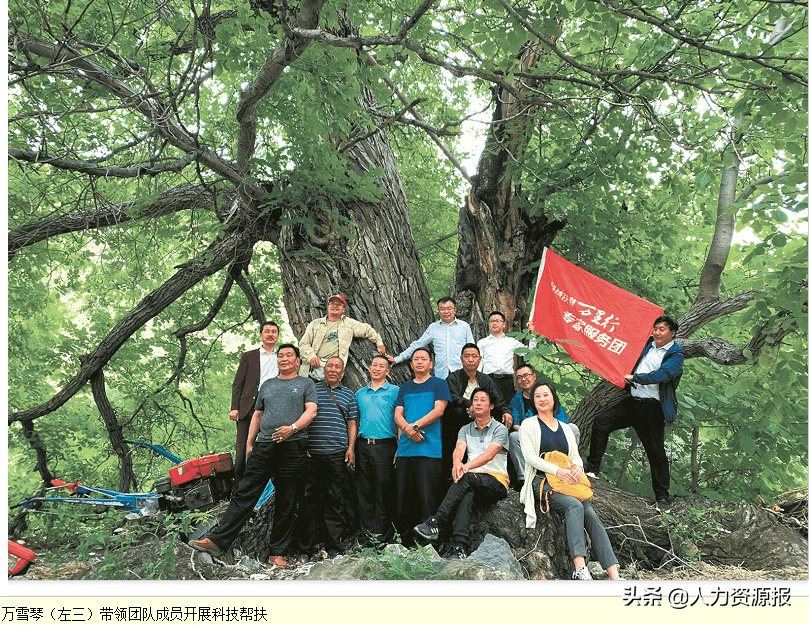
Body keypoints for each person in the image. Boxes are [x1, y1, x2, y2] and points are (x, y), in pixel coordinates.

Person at [190, 344, 317, 569]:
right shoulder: (268, 385)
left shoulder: (305, 384)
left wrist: (293, 428)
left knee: (287, 500)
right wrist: (249, 444)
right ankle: (217, 541)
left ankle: (276, 552)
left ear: (298, 361)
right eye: (281, 356)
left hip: (293, 446)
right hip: (264, 446)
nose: (284, 359)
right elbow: (257, 415)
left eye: (289, 355)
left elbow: (311, 411)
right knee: (244, 492)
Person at [519, 381, 625, 581]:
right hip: (542, 481)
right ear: (533, 401)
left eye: (546, 395)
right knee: (574, 506)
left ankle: (614, 574)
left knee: (591, 514)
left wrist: (577, 468)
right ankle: (580, 569)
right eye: (537, 396)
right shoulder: (528, 424)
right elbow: (529, 457)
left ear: (553, 398)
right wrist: (557, 471)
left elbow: (575, 456)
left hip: (566, 482)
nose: (542, 399)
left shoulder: (566, 428)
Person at [584, 315, 683, 510]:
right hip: (632, 403)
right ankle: (592, 468)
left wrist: (636, 377)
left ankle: (662, 497)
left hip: (652, 409)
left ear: (672, 333)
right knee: (601, 422)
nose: (656, 332)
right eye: (655, 328)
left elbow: (664, 374)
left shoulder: (676, 354)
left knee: (656, 453)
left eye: (662, 329)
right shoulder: (648, 346)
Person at [414, 388, 509, 560]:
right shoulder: (465, 429)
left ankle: (436, 521)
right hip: (472, 481)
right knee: (467, 496)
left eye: (482, 400)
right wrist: (457, 463)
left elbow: (489, 454)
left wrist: (465, 467)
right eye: (475, 400)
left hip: (496, 481)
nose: (478, 403)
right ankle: (459, 547)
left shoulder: (500, 429)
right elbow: (459, 449)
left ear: (492, 406)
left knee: (465, 479)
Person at [297, 357, 358, 559]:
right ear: (324, 370)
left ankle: (334, 548)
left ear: (342, 373)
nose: (332, 369)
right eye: (329, 366)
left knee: (335, 501)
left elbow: (352, 423)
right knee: (308, 502)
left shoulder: (349, 395)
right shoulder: (311, 390)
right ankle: (305, 549)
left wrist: (351, 448)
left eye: (337, 367)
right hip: (311, 454)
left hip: (337, 455)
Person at [393, 348, 450, 544]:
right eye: (415, 359)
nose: (419, 362)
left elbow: (439, 411)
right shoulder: (405, 388)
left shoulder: (439, 384)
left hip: (429, 449)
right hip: (405, 450)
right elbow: (397, 414)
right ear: (411, 364)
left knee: (428, 498)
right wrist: (409, 430)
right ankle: (404, 541)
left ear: (430, 364)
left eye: (423, 359)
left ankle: (430, 543)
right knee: (403, 497)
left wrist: (414, 427)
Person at [444, 343, 512, 480]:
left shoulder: (485, 379)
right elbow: (453, 397)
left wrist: (506, 411)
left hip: (484, 419)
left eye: (474, 356)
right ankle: (455, 469)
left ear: (480, 359)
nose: (470, 359)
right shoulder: (453, 377)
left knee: (499, 416)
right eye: (467, 356)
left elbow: (498, 399)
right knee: (456, 411)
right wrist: (471, 405)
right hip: (459, 420)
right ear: (461, 359)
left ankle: (494, 469)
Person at [508, 363, 577, 490]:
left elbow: (563, 421)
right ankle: (523, 477)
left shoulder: (547, 393)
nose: (523, 379)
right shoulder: (516, 400)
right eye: (519, 377)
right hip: (530, 436)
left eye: (526, 375)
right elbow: (516, 424)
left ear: (534, 376)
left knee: (573, 429)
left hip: (553, 433)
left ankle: (570, 468)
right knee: (513, 437)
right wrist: (530, 432)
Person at [354, 355, 399, 547]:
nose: (377, 368)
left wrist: (400, 447)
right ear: (369, 368)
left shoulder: (395, 391)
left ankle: (382, 538)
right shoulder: (360, 394)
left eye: (382, 366)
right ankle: (367, 538)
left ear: (388, 371)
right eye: (374, 365)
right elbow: (354, 422)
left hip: (385, 446)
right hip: (363, 445)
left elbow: (400, 419)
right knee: (364, 492)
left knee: (383, 492)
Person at [229, 320, 280, 487]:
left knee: (271, 447)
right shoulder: (249, 356)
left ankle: (267, 488)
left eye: (274, 331)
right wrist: (234, 408)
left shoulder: (282, 357)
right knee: (243, 449)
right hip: (248, 407)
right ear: (261, 335)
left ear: (278, 336)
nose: (271, 334)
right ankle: (238, 488)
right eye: (267, 331)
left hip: (272, 407)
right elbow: (238, 383)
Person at [298, 294, 387, 380]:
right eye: (332, 304)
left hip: (333, 373)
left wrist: (379, 343)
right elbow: (303, 344)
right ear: (328, 307)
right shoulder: (315, 324)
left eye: (339, 304)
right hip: (310, 370)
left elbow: (367, 330)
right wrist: (311, 357)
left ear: (343, 309)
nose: (335, 306)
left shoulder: (349, 324)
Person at [388, 296, 473, 380]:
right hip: (441, 374)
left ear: (455, 310)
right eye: (442, 309)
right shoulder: (433, 327)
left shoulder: (464, 326)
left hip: (461, 372)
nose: (446, 312)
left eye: (449, 308)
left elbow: (472, 350)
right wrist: (397, 359)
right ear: (438, 311)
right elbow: (417, 345)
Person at [477, 310, 523, 402]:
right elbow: (479, 363)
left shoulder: (511, 342)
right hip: (488, 380)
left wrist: (533, 336)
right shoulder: (482, 343)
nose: (494, 323)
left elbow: (527, 352)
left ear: (504, 324)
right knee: (489, 409)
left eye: (497, 321)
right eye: (492, 321)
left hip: (507, 381)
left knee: (507, 409)